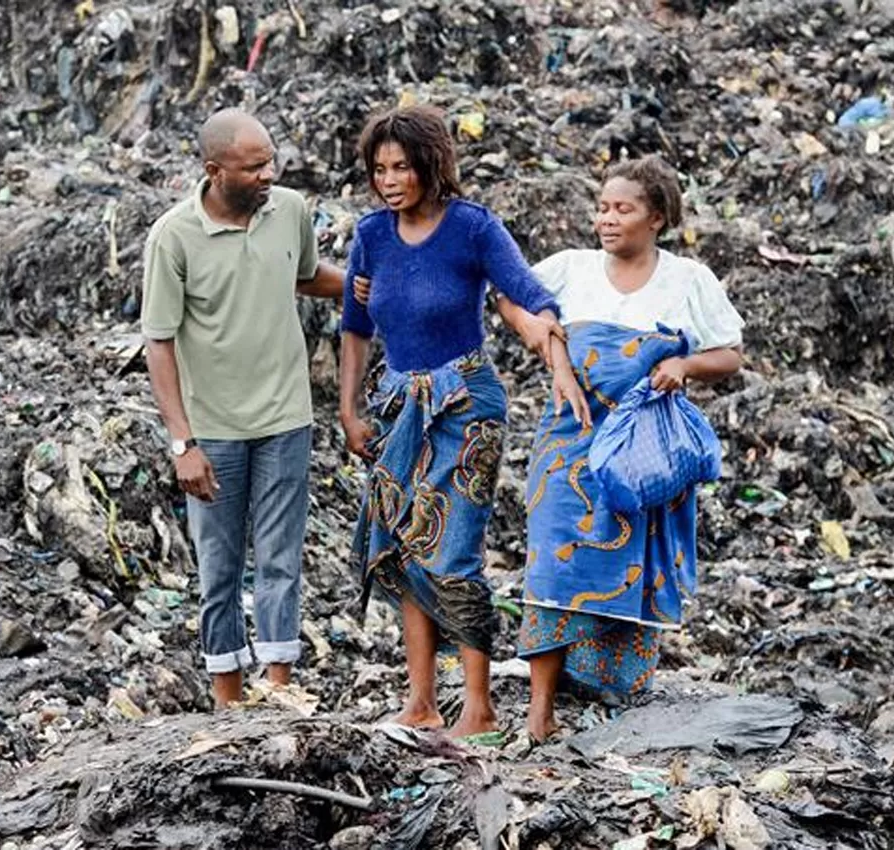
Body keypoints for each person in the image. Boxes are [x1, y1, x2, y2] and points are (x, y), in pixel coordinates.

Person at [338, 104, 586, 739]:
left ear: (431, 165)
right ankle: (419, 700)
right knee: (399, 548)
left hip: (465, 404)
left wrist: (551, 344)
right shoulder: (371, 235)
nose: (390, 179)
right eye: (379, 169)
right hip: (397, 405)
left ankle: (478, 704)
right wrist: (348, 408)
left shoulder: (471, 227)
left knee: (454, 548)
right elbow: (355, 329)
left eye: (403, 167)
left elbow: (525, 292)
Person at [514, 155, 745, 741]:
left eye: (624, 209)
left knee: (628, 566)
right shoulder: (570, 268)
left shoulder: (688, 279)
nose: (607, 220)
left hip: (641, 453)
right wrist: (552, 348)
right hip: (568, 442)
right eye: (603, 208)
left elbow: (730, 353)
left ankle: (607, 701)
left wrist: (682, 364)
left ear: (657, 218)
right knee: (553, 566)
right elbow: (511, 296)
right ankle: (540, 710)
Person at [142, 108, 346, 709]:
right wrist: (183, 443)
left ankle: (279, 689)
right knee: (220, 567)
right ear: (214, 170)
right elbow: (159, 342)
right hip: (216, 429)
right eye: (254, 167)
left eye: (270, 163)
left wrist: (373, 283)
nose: (267, 175)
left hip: (287, 418)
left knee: (282, 558)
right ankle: (229, 701)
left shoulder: (289, 212)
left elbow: (306, 276)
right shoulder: (173, 237)